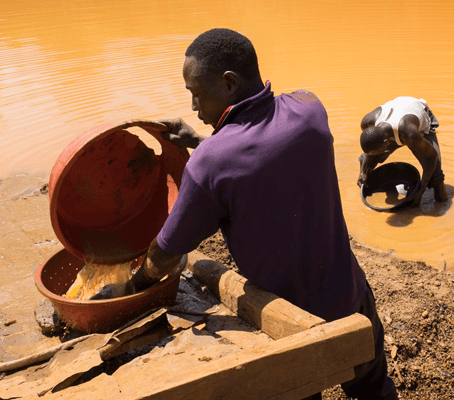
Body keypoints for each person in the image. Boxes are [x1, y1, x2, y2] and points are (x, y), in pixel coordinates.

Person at [128, 28, 397, 399]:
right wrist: (201, 142)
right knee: (374, 391)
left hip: (287, 326)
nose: (194, 108)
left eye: (196, 94)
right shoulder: (309, 109)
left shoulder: (211, 164)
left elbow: (167, 252)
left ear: (229, 83)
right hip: (350, 298)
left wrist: (132, 286)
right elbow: (262, 153)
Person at [357, 96, 448, 207]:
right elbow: (369, 148)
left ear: (386, 142)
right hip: (397, 119)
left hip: (417, 118)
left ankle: (443, 205)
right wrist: (362, 171)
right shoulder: (367, 123)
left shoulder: (410, 133)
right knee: (367, 161)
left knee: (436, 176)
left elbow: (432, 157)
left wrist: (420, 191)